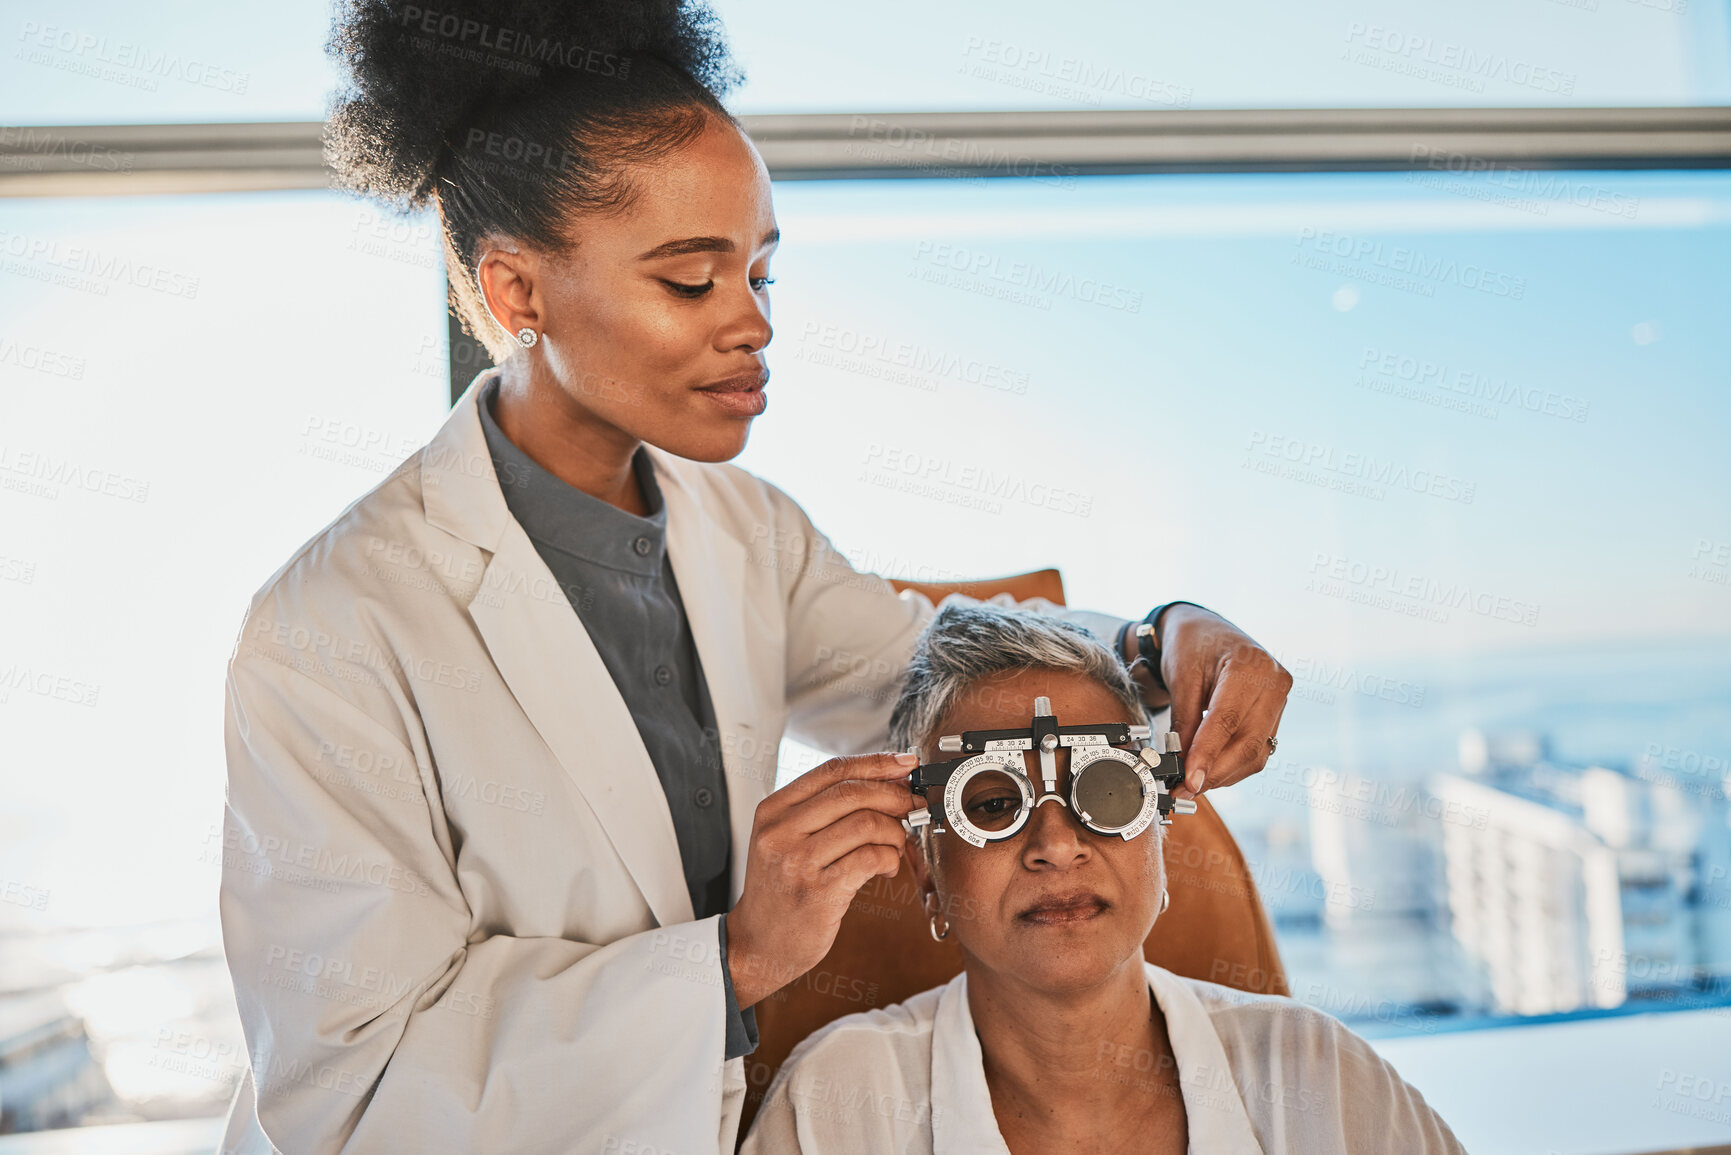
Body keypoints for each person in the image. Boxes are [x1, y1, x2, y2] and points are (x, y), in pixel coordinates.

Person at [215, 2, 1296, 1152]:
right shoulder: (328, 626)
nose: (752, 325)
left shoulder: (742, 530)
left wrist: (1160, 639)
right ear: (518, 294)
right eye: (691, 282)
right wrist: (735, 961)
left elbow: (925, 662)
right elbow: (352, 1090)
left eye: (760, 276)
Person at [744, 603, 1464, 1155]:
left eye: (1106, 791)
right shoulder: (843, 1100)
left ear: (1159, 833)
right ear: (925, 870)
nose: (1057, 845)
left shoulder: (1313, 1073)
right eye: (992, 802)